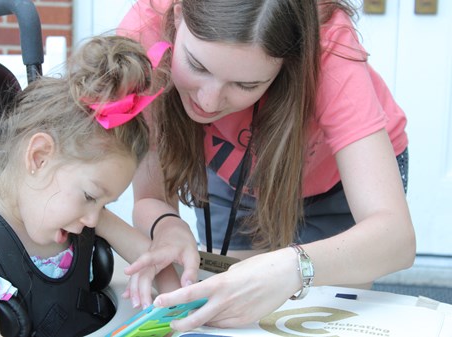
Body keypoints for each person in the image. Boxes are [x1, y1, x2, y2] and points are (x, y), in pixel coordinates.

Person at [117, 0, 415, 331]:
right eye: (197, 66)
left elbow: (395, 241)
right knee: (229, 310)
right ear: (178, 16)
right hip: (232, 169)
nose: (208, 102)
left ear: (288, 63)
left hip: (335, 184)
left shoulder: (330, 51)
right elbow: (149, 197)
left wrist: (293, 268)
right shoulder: (144, 33)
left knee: (319, 311)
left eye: (246, 85)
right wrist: (167, 226)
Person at [0, 35, 179, 336]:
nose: (95, 219)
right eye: (90, 196)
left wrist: (171, 307)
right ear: (40, 157)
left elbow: (154, 260)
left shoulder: (78, 214)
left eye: (104, 203)